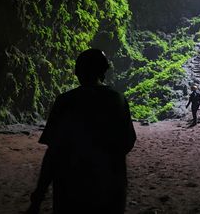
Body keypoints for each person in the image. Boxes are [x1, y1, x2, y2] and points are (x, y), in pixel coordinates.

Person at [26, 49, 136, 214]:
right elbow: (127, 143)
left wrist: (38, 196)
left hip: (70, 190)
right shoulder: (117, 100)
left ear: (77, 71)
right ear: (103, 71)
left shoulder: (65, 101)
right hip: (110, 188)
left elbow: (53, 153)